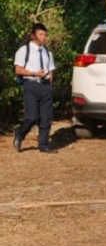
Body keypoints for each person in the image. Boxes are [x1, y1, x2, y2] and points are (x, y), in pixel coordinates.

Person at [13, 22, 56, 153]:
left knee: (46, 118)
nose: (44, 37)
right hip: (31, 85)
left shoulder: (47, 53)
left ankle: (43, 144)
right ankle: (20, 134)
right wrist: (34, 73)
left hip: (45, 87)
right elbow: (18, 70)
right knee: (32, 117)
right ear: (33, 35)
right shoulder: (24, 50)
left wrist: (50, 85)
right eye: (41, 34)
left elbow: (51, 70)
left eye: (45, 35)